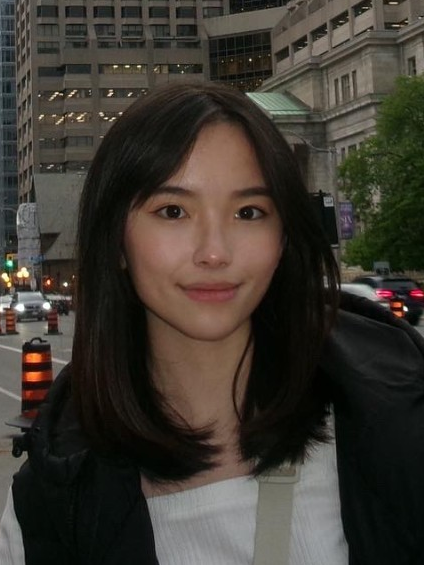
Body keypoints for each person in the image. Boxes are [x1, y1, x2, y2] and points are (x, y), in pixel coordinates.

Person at [1, 81, 424, 565]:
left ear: (284, 238)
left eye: (249, 212)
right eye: (173, 211)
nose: (215, 252)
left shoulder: (398, 433)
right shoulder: (50, 508)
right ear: (116, 240)